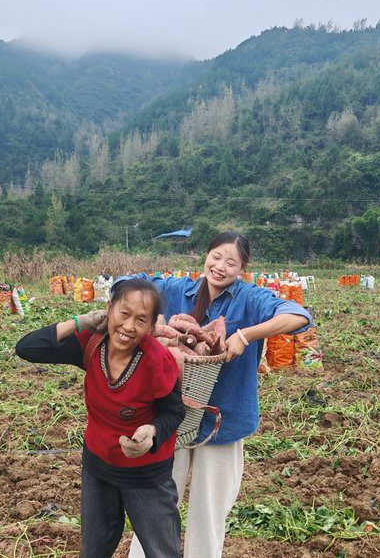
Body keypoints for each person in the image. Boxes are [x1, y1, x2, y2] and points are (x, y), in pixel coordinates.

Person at [126, 231, 312, 558]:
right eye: (216, 257)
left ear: (242, 268)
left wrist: (246, 335)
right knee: (155, 508)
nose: (220, 267)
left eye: (231, 262)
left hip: (223, 421)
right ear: (206, 255)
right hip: (171, 420)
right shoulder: (176, 289)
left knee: (208, 516)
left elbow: (299, 317)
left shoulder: (250, 298)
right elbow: (128, 283)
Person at [15, 278, 185, 558]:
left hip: (146, 475)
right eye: (123, 313)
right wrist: (78, 322)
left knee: (161, 552)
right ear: (108, 309)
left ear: (151, 327)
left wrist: (152, 432)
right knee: (93, 550)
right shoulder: (91, 344)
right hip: (98, 467)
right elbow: (27, 348)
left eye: (141, 320)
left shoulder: (157, 360)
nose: (128, 326)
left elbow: (174, 412)